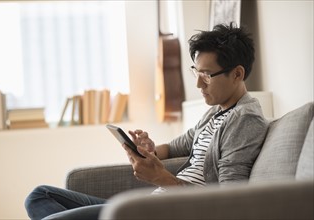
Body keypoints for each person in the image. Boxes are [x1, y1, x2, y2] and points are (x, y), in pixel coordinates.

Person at [25, 22, 269, 220]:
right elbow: (175, 147)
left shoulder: (244, 119)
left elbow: (230, 201)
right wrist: (149, 150)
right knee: (39, 196)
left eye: (206, 75)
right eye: (197, 72)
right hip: (153, 203)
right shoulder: (216, 111)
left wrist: (164, 179)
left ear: (237, 74)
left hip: (167, 212)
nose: (198, 84)